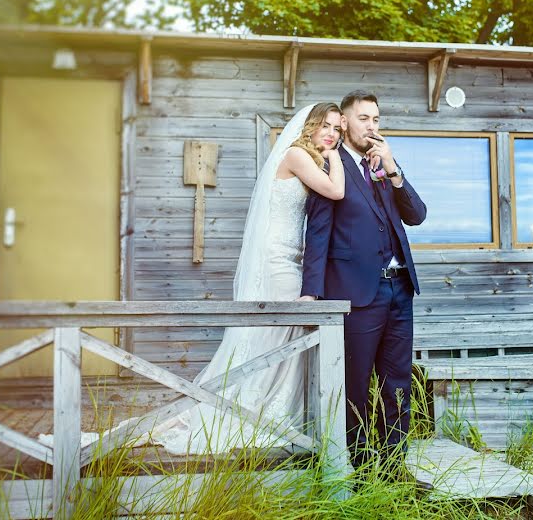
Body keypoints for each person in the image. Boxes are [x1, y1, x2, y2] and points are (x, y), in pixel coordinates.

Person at [41, 102, 345, 454]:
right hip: (275, 259)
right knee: (275, 335)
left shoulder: (308, 157)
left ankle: (266, 410)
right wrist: (335, 155)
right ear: (309, 125)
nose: (332, 133)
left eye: (337, 129)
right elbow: (335, 191)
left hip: (290, 256)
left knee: (279, 338)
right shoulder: (297, 155)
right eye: (325, 125)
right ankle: (251, 410)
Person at [299, 90, 427, 470]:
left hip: (399, 289)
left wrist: (392, 168)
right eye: (363, 119)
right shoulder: (330, 165)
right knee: (355, 385)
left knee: (397, 383)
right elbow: (318, 232)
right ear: (345, 125)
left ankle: (393, 466)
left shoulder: (384, 164)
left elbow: (417, 215)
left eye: (376, 119)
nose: (371, 126)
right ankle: (356, 466)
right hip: (355, 293)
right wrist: (311, 291)